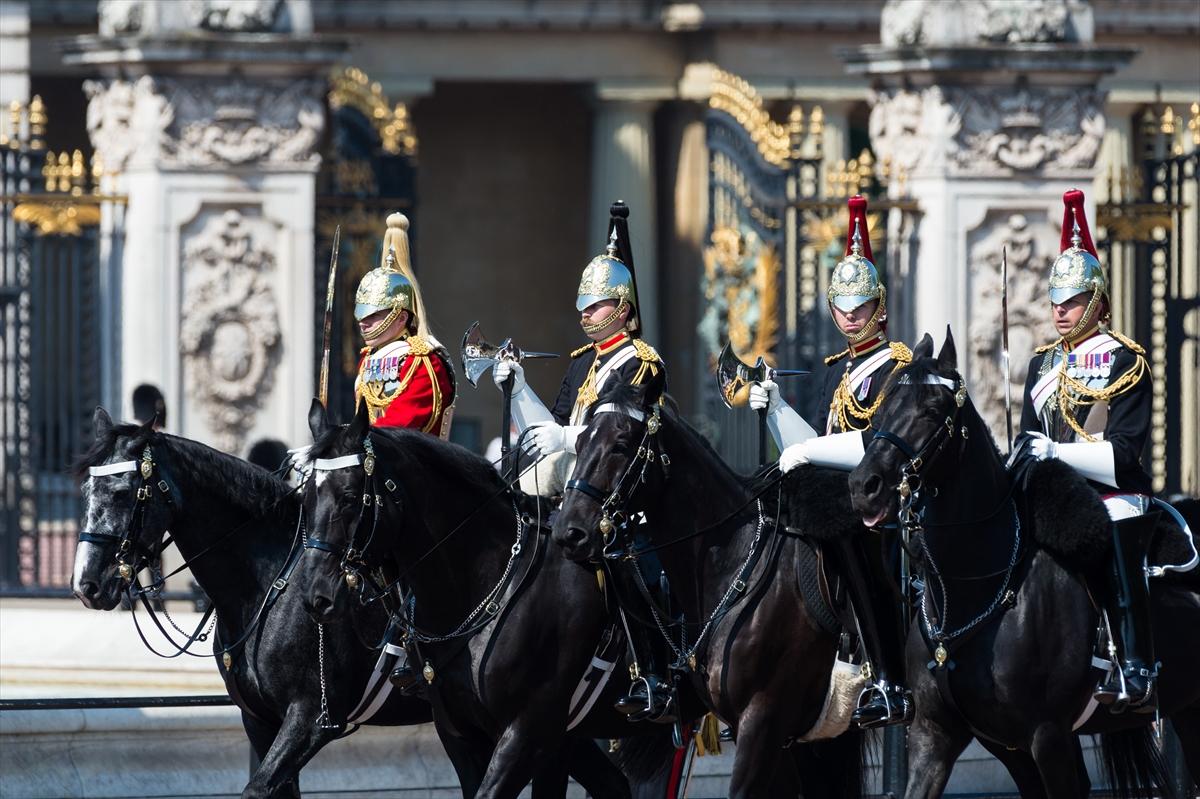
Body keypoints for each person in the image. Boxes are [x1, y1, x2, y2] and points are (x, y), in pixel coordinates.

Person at [492, 201, 670, 721]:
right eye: (583, 306)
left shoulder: (641, 361)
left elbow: (618, 432)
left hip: (623, 495)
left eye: (594, 306)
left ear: (621, 306)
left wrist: (562, 437)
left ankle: (652, 672)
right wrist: (519, 387)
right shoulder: (579, 366)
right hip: (577, 494)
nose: (584, 314)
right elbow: (552, 429)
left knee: (633, 567)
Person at [748, 194, 914, 729]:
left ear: (880, 307)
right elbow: (812, 442)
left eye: (860, 307)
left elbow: (874, 443)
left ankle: (888, 677)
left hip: (881, 500)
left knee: (857, 545)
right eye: (841, 307)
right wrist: (775, 409)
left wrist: (806, 450)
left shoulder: (898, 364)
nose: (849, 317)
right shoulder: (833, 371)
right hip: (833, 493)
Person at [1015, 188, 1156, 713]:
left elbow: (1123, 456)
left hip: (1108, 491)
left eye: (1071, 301)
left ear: (1097, 301)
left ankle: (1138, 665)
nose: (1059, 310)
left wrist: (1055, 453)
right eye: (1054, 301)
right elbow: (1029, 440)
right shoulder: (1040, 365)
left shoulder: (1125, 360)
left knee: (1118, 532)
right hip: (1053, 494)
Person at [353, 213, 456, 436]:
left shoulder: (423, 360)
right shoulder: (368, 358)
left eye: (373, 316)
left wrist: (354, 440)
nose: (363, 323)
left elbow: (402, 423)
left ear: (401, 318)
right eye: (362, 315)